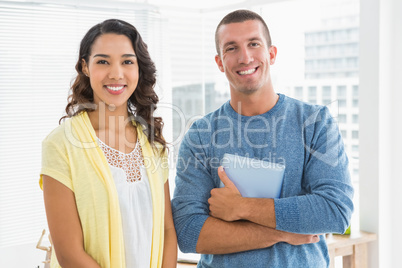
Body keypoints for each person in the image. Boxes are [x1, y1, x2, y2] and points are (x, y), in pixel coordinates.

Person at [172, 9, 354, 267]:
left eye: (253, 44)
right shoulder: (201, 135)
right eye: (231, 48)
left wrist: (242, 208)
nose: (245, 57)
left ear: (271, 53)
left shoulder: (315, 122)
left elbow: (335, 211)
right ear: (220, 62)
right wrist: (281, 233)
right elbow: (189, 232)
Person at [40, 19, 177, 268]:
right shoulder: (60, 144)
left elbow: (168, 230)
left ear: (139, 69)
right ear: (85, 67)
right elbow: (69, 253)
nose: (116, 73)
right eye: (103, 61)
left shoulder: (152, 143)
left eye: (127, 61)